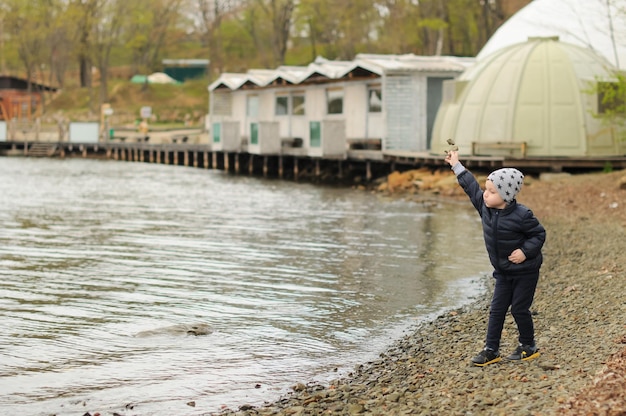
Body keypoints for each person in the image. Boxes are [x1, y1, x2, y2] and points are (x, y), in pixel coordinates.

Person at [444, 150, 546, 366]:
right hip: (502, 272)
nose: (485, 194)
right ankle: (491, 350)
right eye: (487, 190)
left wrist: (525, 252)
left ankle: (528, 346)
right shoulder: (485, 208)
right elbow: (470, 186)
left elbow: (539, 234)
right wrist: (456, 165)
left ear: (506, 196)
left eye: (491, 191)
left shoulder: (522, 215)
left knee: (519, 309)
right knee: (497, 310)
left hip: (525, 272)